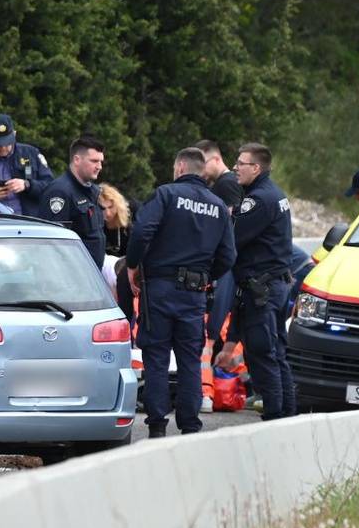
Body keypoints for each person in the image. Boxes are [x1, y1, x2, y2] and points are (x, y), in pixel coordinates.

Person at [126, 147, 236, 438]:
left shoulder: (166, 195)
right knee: (189, 362)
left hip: (160, 290)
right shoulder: (217, 206)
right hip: (194, 294)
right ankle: (190, 427)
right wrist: (204, 277)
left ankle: (158, 427)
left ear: (179, 168)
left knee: (157, 358)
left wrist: (133, 265)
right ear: (201, 171)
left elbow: (141, 232)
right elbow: (228, 256)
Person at [231, 142, 298, 421]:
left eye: (241, 163)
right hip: (276, 285)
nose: (235, 168)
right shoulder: (275, 193)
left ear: (256, 168)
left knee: (262, 352)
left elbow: (233, 239)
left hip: (263, 289)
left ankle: (274, 415)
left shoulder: (258, 200)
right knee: (276, 351)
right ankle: (286, 412)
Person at [37, 136, 108, 266]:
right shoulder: (59, 192)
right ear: (77, 160)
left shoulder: (91, 191)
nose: (99, 167)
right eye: (94, 161)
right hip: (72, 275)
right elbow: (53, 243)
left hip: (91, 273)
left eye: (101, 162)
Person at [195, 139, 241, 342]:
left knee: (221, 301)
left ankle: (212, 338)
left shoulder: (227, 184)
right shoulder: (221, 184)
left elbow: (232, 224)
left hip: (231, 256)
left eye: (203, 162)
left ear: (216, 158)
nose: (201, 169)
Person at [0, 114, 53, 213]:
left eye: (7, 143)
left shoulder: (31, 153)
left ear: (14, 134)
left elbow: (50, 186)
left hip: (26, 220)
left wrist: (27, 185)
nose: (3, 148)